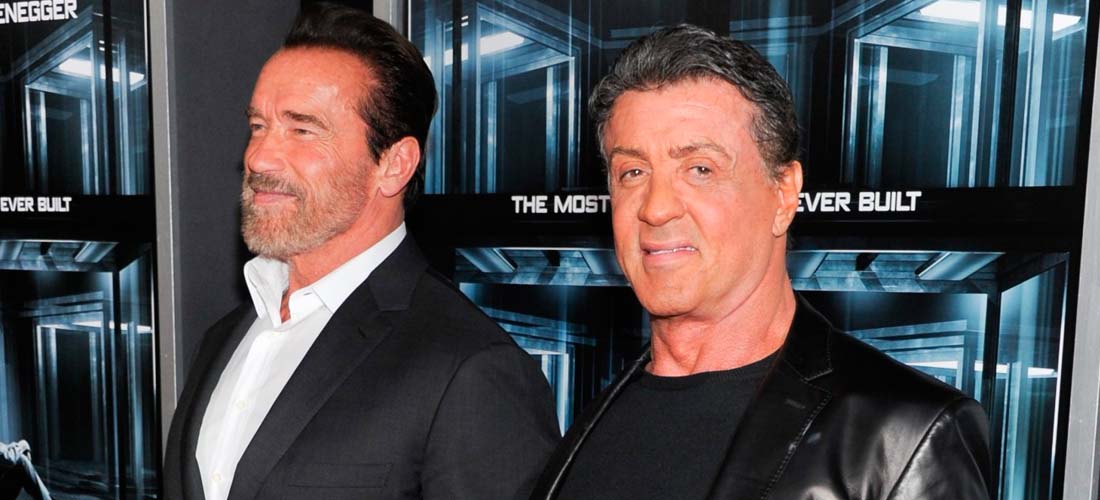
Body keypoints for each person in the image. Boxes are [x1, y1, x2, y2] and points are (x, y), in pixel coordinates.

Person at [532, 24, 992, 500]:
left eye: (700, 169)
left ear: (784, 194)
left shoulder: (907, 437)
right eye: (632, 172)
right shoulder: (593, 422)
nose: (656, 207)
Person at [162, 3, 559, 499]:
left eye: (302, 129)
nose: (259, 157)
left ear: (394, 165)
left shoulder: (471, 369)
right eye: (259, 126)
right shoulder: (223, 339)